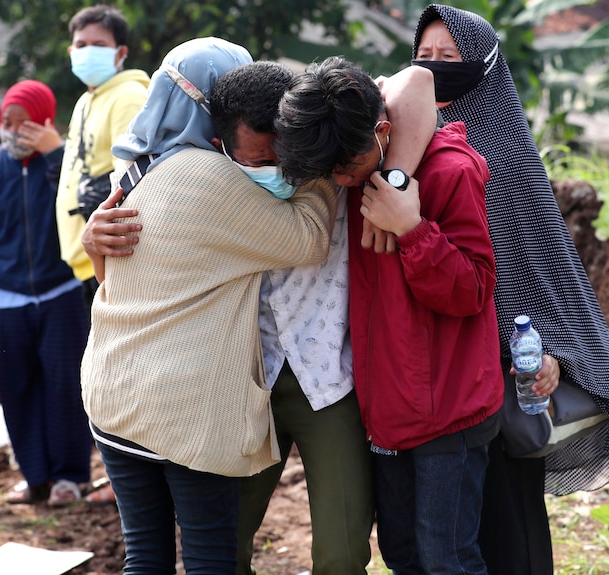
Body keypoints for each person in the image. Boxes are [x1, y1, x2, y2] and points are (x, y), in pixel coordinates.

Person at [84, 59, 437, 574]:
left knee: (341, 554)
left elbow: (417, 80)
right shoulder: (198, 173)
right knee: (224, 545)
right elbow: (136, 279)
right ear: (219, 138)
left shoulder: (331, 143)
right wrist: (95, 244)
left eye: (283, 156)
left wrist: (394, 173)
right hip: (241, 381)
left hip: (325, 373)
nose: (273, 169)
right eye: (254, 159)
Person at [80, 37, 339, 574]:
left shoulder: (133, 168)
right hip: (183, 409)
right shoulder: (211, 178)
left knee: (145, 555)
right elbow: (308, 239)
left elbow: (118, 277)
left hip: (112, 394)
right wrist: (314, 162)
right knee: (209, 559)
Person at [410, 6, 609, 574]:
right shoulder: (401, 148)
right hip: (426, 368)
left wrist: (548, 349)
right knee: (438, 535)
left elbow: (539, 267)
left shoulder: (504, 156)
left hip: (502, 371)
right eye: (424, 57)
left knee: (508, 528)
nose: (432, 69)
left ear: (484, 66)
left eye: (448, 58)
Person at [274, 56, 502, 575]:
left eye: (344, 167)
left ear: (381, 132)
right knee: (402, 554)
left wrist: (413, 229)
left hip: (449, 409)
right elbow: (408, 82)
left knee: (448, 559)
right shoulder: (359, 170)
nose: (338, 180)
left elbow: (473, 290)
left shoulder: (449, 170)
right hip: (387, 410)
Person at [0, 80, 91, 507]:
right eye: (6, 123)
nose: (13, 131)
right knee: (19, 388)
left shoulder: (68, 161)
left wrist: (55, 154)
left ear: (45, 122)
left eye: (23, 123)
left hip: (61, 292)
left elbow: (81, 206)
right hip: (9, 297)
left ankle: (70, 478)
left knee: (66, 386)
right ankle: (36, 478)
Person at [55, 4, 149, 305]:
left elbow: (135, 180)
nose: (88, 52)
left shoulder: (129, 97)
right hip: (85, 257)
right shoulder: (86, 100)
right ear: (71, 51)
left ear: (121, 53)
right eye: (81, 45)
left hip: (110, 258)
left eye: (99, 45)